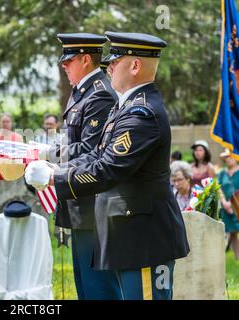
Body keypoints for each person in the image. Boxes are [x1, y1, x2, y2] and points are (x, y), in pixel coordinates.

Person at [25, 32, 190, 300]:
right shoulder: (125, 107)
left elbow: (108, 168)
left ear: (135, 66)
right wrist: (57, 170)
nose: (109, 66)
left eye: (116, 60)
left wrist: (55, 179)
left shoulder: (141, 114)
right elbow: (97, 155)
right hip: (130, 235)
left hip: (144, 239)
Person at [35, 33, 121, 300]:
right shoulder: (82, 91)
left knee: (99, 289)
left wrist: (49, 154)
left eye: (69, 60)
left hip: (92, 202)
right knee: (85, 286)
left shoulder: (100, 94)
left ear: (86, 59)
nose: (64, 65)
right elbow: (74, 141)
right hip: (79, 201)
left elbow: (90, 149)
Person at [218, 148, 239, 259]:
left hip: (237, 206)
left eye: (230, 156)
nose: (228, 159)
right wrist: (224, 202)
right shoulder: (222, 173)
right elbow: (219, 188)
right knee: (232, 232)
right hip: (226, 207)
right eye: (226, 157)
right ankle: (237, 258)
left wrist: (232, 204)